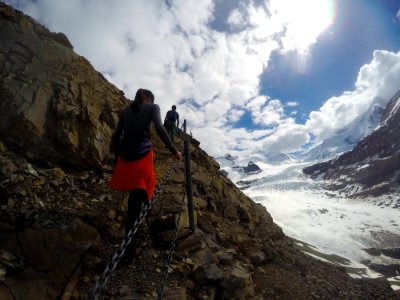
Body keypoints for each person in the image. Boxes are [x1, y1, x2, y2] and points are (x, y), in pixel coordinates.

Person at [109, 88, 182, 263]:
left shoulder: (125, 111)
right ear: (149, 99)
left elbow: (116, 136)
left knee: (133, 201)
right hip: (143, 154)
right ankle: (148, 219)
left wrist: (117, 158)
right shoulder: (153, 107)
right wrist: (174, 150)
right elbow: (158, 127)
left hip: (126, 157)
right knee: (146, 187)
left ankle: (128, 248)